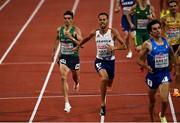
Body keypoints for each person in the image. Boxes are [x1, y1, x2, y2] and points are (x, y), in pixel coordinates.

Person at [73, 12, 126, 116]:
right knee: (104, 78)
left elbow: (124, 46)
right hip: (99, 61)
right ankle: (103, 104)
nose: (102, 21)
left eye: (104, 19)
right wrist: (78, 45)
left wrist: (114, 48)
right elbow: (86, 38)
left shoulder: (113, 32)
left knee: (109, 82)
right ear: (98, 21)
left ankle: (106, 85)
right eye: (100, 19)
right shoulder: (95, 32)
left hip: (110, 62)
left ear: (107, 20)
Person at [137, 20, 176, 122]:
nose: (158, 30)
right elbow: (138, 60)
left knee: (164, 100)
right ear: (150, 32)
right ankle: (151, 119)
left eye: (159, 28)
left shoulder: (167, 41)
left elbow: (172, 55)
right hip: (153, 76)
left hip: (164, 74)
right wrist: (146, 66)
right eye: (155, 29)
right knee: (152, 101)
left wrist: (175, 66)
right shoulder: (147, 44)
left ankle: (162, 115)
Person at [52, 10, 83, 113]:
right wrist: (53, 51)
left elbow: (81, 43)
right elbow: (57, 39)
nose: (67, 20)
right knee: (63, 77)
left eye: (69, 18)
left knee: (75, 77)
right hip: (64, 57)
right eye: (65, 18)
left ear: (72, 19)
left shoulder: (76, 30)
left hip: (74, 57)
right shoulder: (59, 29)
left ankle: (76, 83)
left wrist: (71, 37)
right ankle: (66, 103)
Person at [160, 0, 180, 97]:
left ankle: (176, 90)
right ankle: (163, 85)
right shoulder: (164, 18)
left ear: (177, 6)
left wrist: (178, 50)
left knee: (178, 67)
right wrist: (165, 41)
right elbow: (160, 30)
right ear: (168, 8)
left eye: (175, 6)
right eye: (171, 6)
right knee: (168, 67)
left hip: (178, 45)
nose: (173, 7)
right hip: (168, 45)